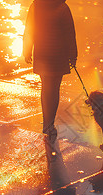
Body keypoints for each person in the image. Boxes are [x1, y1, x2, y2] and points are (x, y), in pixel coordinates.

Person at [23, 0, 77, 143]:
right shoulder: (62, 7)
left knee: (46, 88)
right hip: (58, 52)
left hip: (42, 51)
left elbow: (29, 28)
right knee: (54, 89)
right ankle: (50, 124)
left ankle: (46, 121)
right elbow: (69, 32)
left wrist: (27, 50)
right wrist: (73, 54)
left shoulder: (36, 5)